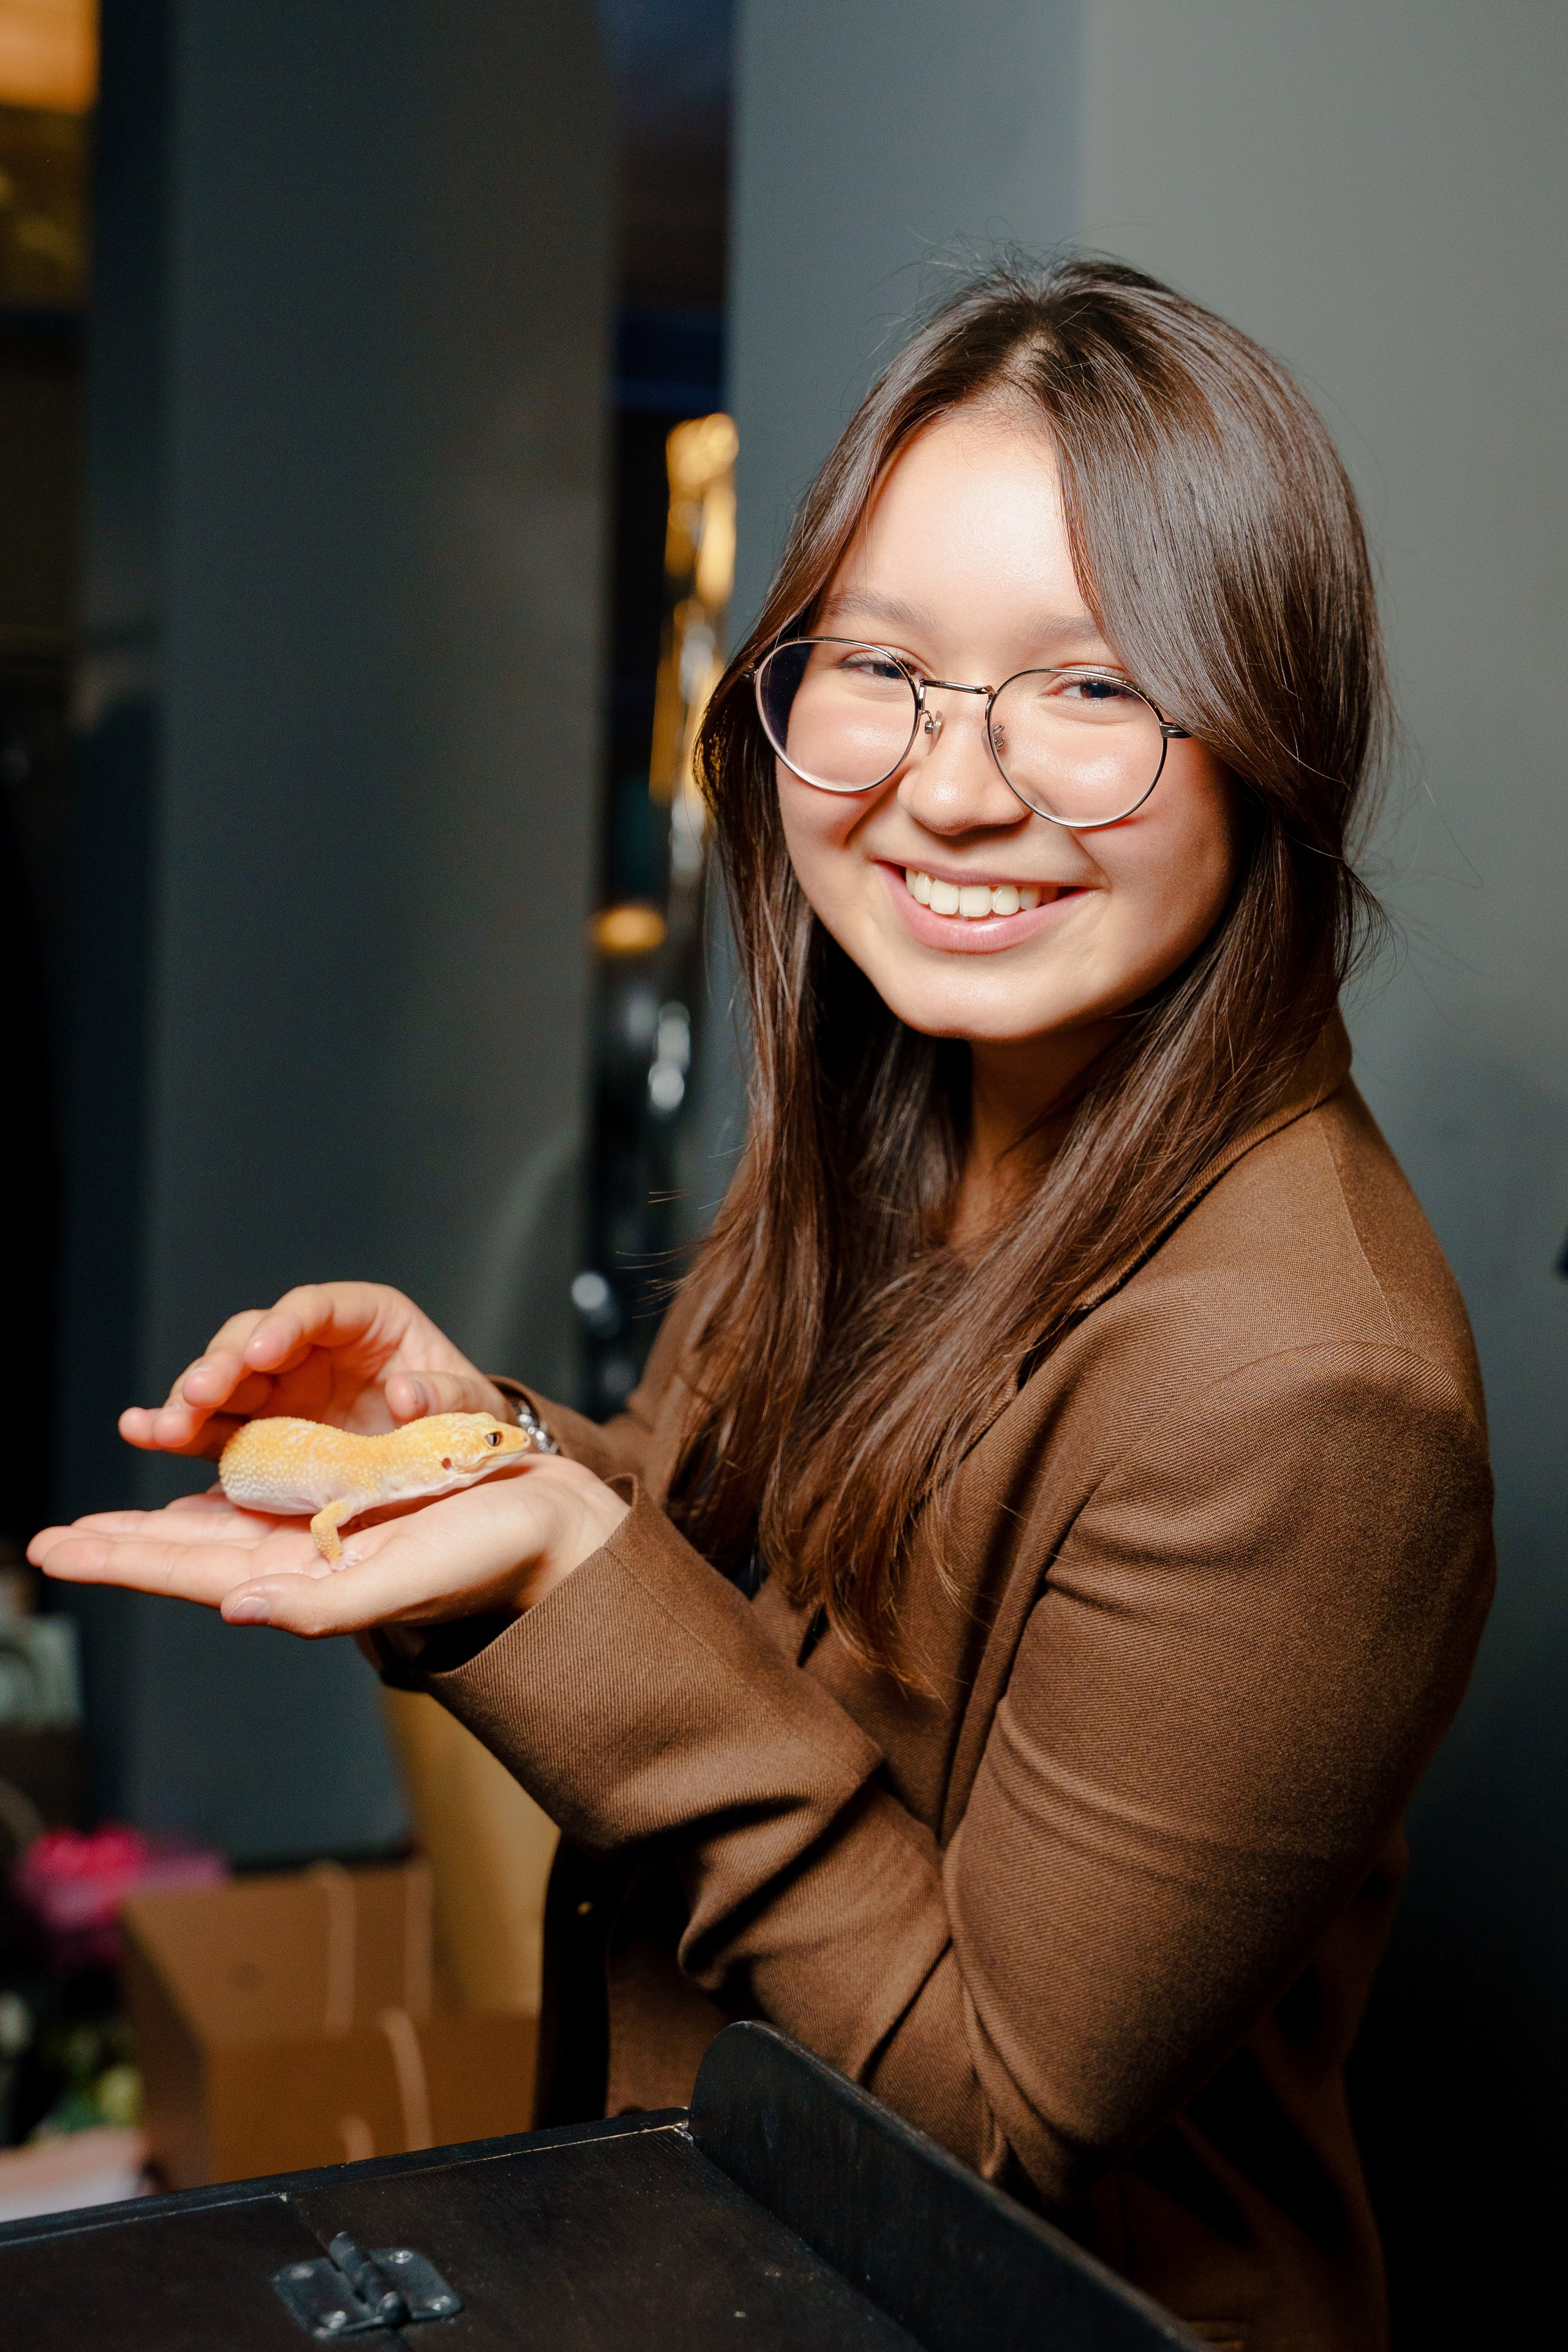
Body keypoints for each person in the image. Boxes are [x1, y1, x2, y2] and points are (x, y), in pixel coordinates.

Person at [32, 261, 1493, 2352]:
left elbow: (994, 2128)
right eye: (882, 664)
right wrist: (485, 1452)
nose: (954, 785)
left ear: (1275, 737)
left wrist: (562, 1556)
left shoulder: (1314, 1387)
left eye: (1091, 689)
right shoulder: (922, 1110)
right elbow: (777, 1611)